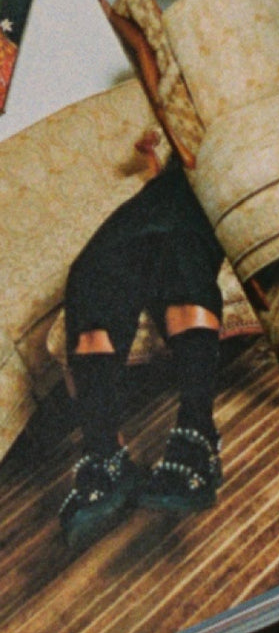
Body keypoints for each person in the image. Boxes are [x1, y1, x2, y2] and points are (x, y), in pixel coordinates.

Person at [58, 145, 225, 553]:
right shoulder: (172, 126)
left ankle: (198, 434)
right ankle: (106, 454)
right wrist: (153, 157)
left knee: (180, 257)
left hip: (208, 189)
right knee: (90, 273)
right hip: (154, 199)